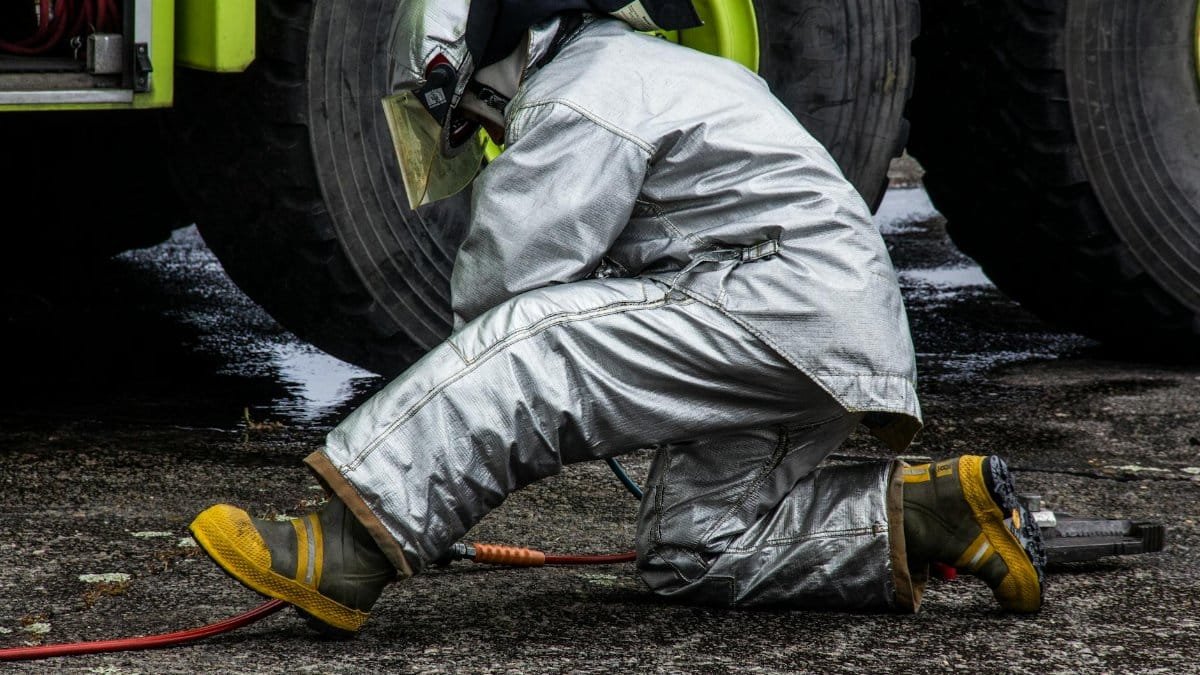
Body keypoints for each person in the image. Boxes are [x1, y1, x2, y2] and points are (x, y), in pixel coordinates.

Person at [189, 0, 1046, 636]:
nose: (480, 123)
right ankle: (936, 511)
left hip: (772, 302)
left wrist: (427, 487)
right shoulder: (649, 69)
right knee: (697, 552)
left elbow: (504, 304)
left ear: (502, 51)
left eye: (475, 103)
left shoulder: (580, 96)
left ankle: (348, 548)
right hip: (830, 329)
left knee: (538, 343)